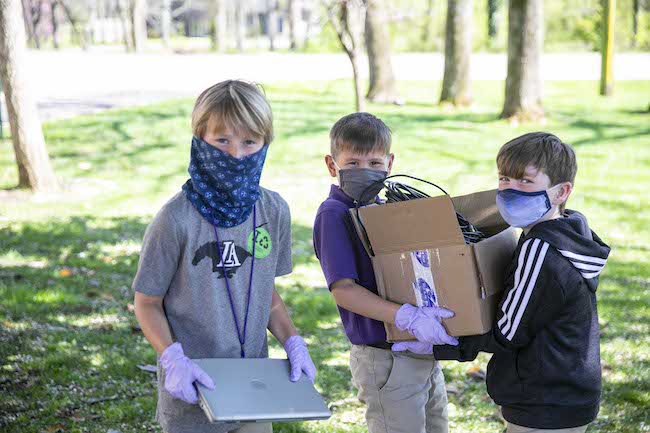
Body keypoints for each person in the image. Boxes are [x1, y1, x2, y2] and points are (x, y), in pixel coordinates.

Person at [132, 80, 316, 433]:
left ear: (265, 144)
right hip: (194, 392)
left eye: (250, 141)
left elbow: (267, 295)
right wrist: (173, 359)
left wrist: (292, 340)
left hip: (254, 390)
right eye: (222, 140)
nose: (236, 155)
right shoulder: (174, 220)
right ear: (200, 139)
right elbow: (147, 303)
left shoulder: (273, 210)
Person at [434, 132, 611, 433]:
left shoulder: (540, 249)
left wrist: (441, 338)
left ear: (561, 192)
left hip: (545, 401)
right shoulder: (570, 231)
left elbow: (508, 332)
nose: (509, 189)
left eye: (525, 182)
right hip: (567, 391)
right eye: (504, 178)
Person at [313, 112, 458, 433]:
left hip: (420, 350)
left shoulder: (385, 210)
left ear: (390, 163)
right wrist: (406, 316)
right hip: (384, 359)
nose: (364, 171)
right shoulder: (334, 215)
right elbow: (343, 290)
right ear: (332, 164)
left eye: (375, 164)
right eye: (352, 163)